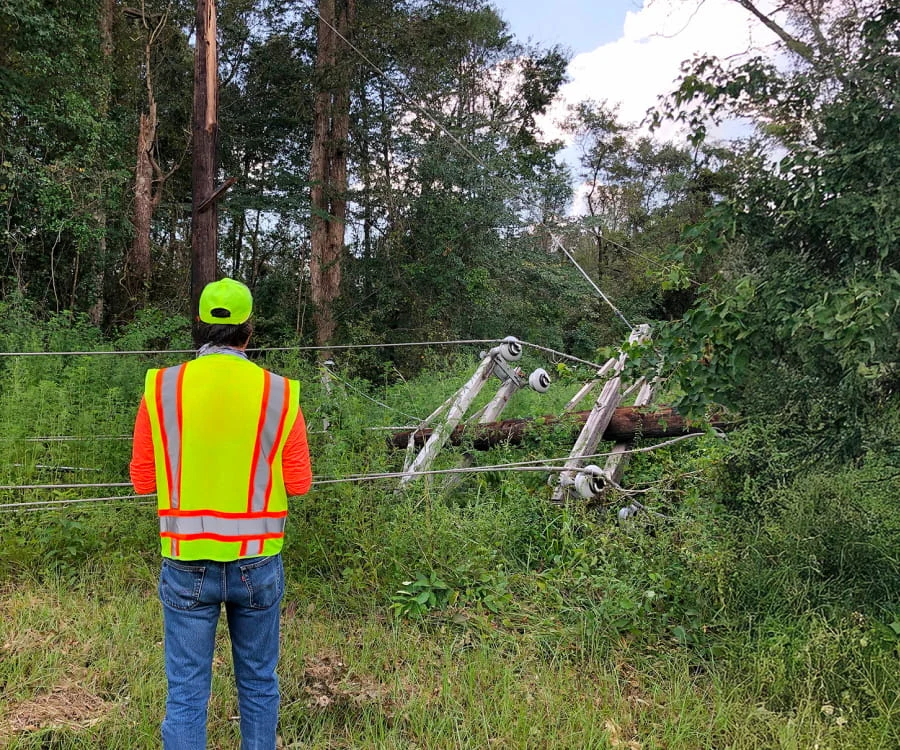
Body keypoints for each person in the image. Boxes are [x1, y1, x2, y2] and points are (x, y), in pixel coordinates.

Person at [130, 278, 312, 750]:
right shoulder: (279, 394)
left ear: (200, 327)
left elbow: (143, 480)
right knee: (257, 683)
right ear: (249, 331)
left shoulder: (162, 387)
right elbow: (300, 484)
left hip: (186, 561)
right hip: (257, 562)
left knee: (187, 693)